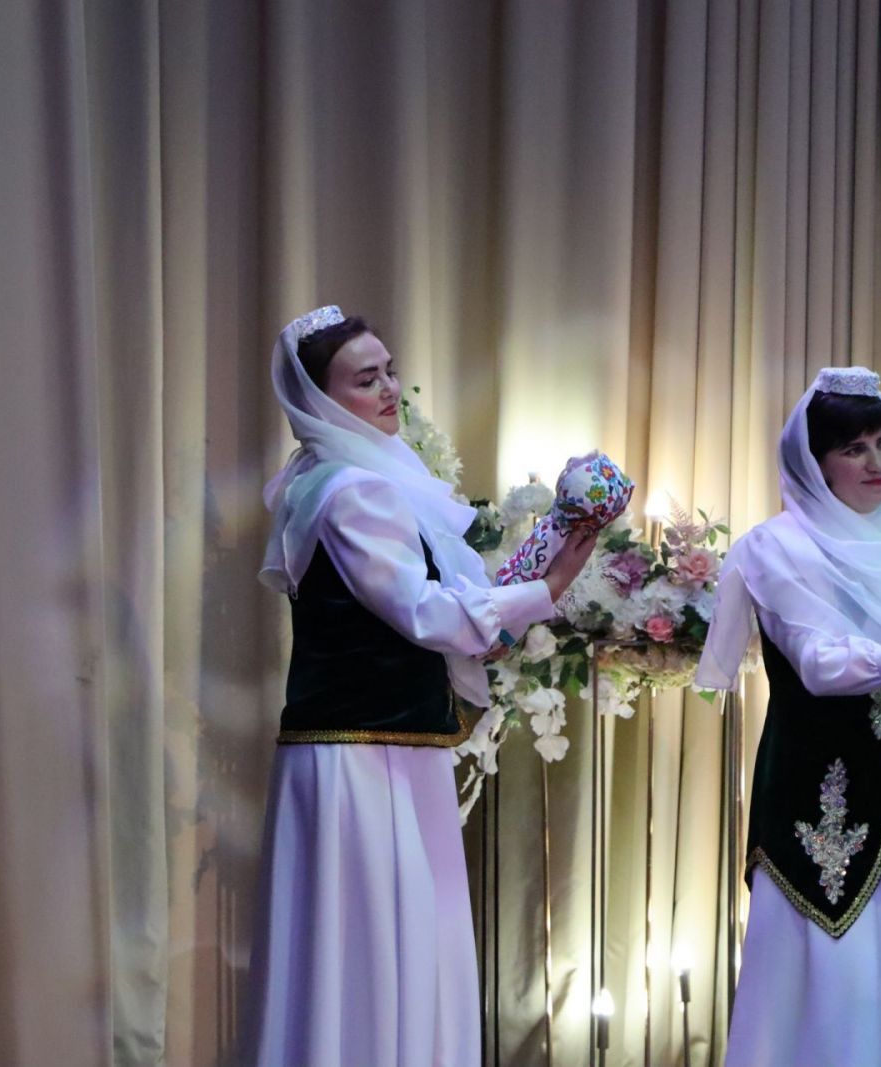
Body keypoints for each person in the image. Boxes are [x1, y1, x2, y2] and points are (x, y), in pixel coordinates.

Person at [242, 306, 596, 1067]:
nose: (388, 390)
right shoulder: (352, 491)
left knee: (382, 946)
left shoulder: (336, 477)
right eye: (365, 379)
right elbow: (425, 612)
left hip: (378, 749)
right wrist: (545, 590)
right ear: (323, 398)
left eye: (390, 372)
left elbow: (443, 608)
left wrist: (527, 582)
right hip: (365, 760)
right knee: (377, 947)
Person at [698, 366, 881, 1067]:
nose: (877, 462)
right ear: (816, 461)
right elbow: (819, 664)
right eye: (853, 448)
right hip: (821, 791)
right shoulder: (777, 548)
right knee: (831, 976)